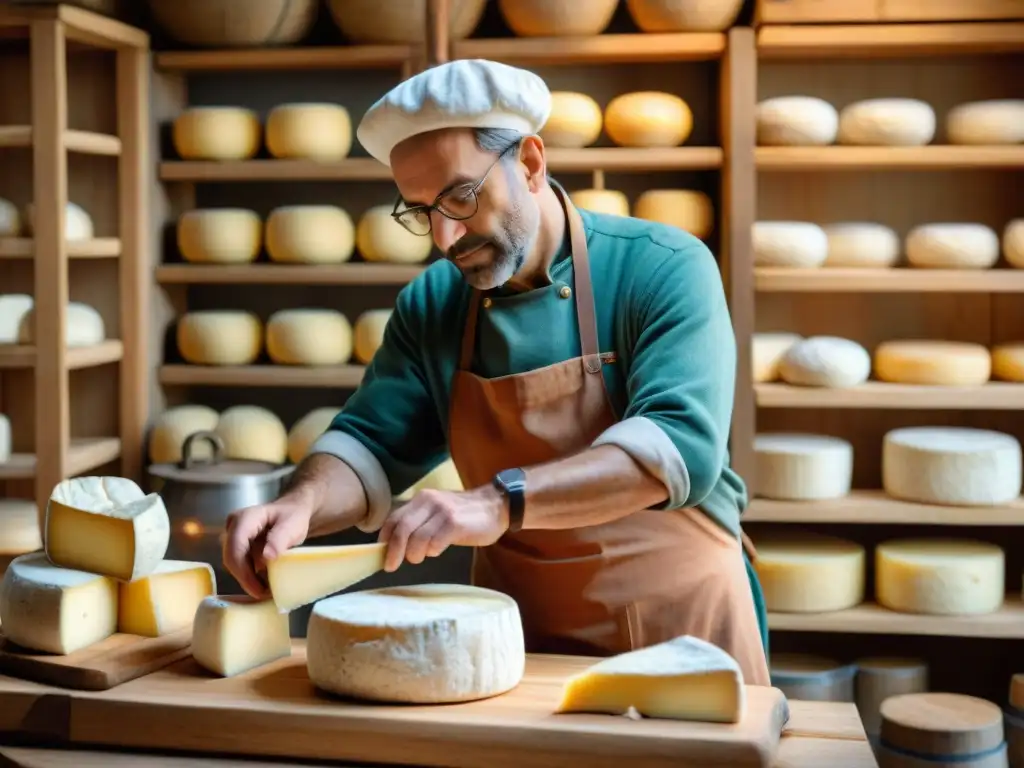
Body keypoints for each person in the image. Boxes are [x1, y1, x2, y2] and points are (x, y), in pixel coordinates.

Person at [223, 58, 770, 685]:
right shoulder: (434, 303)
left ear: (531, 163)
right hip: (513, 642)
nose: (445, 235)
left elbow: (681, 448)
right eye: (421, 211)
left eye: (460, 196)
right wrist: (302, 503)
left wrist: (499, 501)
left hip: (682, 633)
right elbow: (371, 442)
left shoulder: (664, 269)